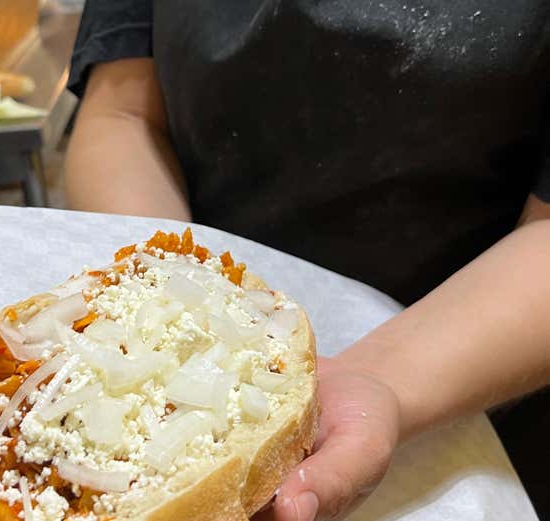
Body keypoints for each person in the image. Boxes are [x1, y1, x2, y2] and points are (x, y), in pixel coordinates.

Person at [63, 2, 550, 520]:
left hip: (458, 393)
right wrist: (159, 307)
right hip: (181, 337)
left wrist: (378, 380)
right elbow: (124, 114)